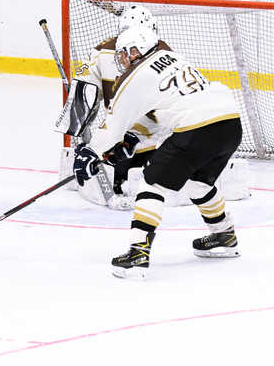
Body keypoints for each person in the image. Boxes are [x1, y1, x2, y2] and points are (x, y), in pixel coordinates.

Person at [73, 26, 242, 279]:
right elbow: (161, 110)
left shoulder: (135, 77)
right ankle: (224, 234)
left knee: (152, 184)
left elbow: (112, 126)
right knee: (199, 184)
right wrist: (133, 138)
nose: (120, 59)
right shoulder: (173, 58)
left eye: (123, 53)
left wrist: (90, 153)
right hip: (229, 123)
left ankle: (138, 251)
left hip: (196, 128)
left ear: (136, 50)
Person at [74, 5, 165, 207]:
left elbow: (82, 98)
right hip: (140, 148)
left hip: (115, 147)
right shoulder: (164, 53)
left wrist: (85, 144)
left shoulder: (101, 51)